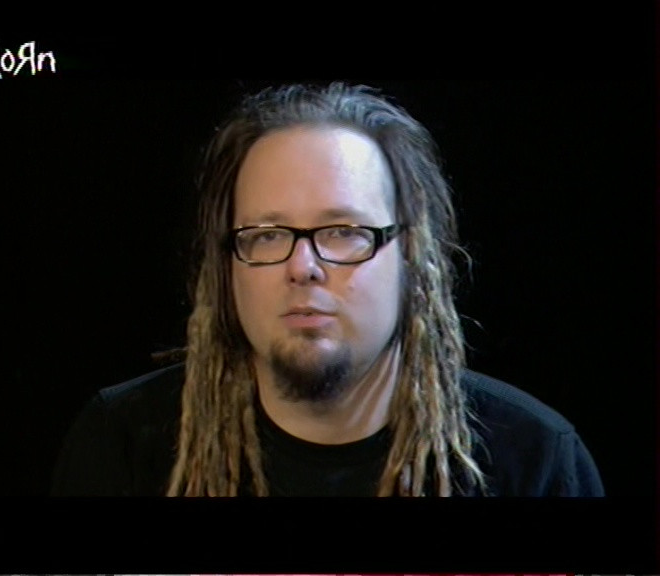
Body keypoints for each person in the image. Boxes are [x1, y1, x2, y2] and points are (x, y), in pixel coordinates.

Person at [51, 81, 604, 497]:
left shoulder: (531, 460)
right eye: (267, 235)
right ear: (226, 266)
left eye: (343, 231)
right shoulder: (123, 444)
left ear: (412, 257)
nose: (303, 266)